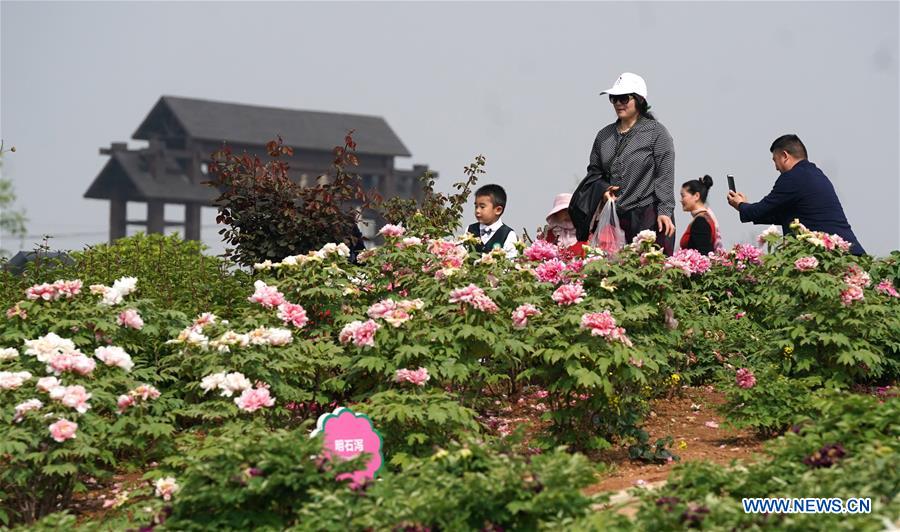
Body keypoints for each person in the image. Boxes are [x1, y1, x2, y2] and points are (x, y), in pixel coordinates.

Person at [570, 72, 676, 255]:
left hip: (648, 213)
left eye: (624, 98)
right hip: (614, 217)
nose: (618, 103)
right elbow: (594, 172)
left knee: (649, 270)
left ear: (639, 100)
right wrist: (603, 190)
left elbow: (664, 175)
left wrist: (665, 211)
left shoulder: (656, 133)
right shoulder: (604, 136)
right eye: (614, 98)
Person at [727, 134, 865, 255]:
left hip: (831, 257)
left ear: (785, 156)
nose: (776, 167)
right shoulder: (816, 174)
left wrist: (741, 205)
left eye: (775, 160)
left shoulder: (792, 178)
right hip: (849, 252)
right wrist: (746, 207)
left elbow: (761, 209)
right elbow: (783, 214)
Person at [467, 184, 518, 258]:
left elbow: (510, 262)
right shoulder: (470, 229)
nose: (477, 210)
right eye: (476, 206)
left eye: (482, 207)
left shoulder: (508, 234)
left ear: (498, 210)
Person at [679, 175, 724, 254]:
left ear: (696, 196)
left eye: (683, 196)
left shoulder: (700, 221)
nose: (681, 200)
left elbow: (703, 253)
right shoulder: (705, 217)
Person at [539, 193, 587, 258]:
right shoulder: (546, 236)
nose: (567, 213)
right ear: (556, 213)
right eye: (563, 210)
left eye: (570, 210)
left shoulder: (586, 234)